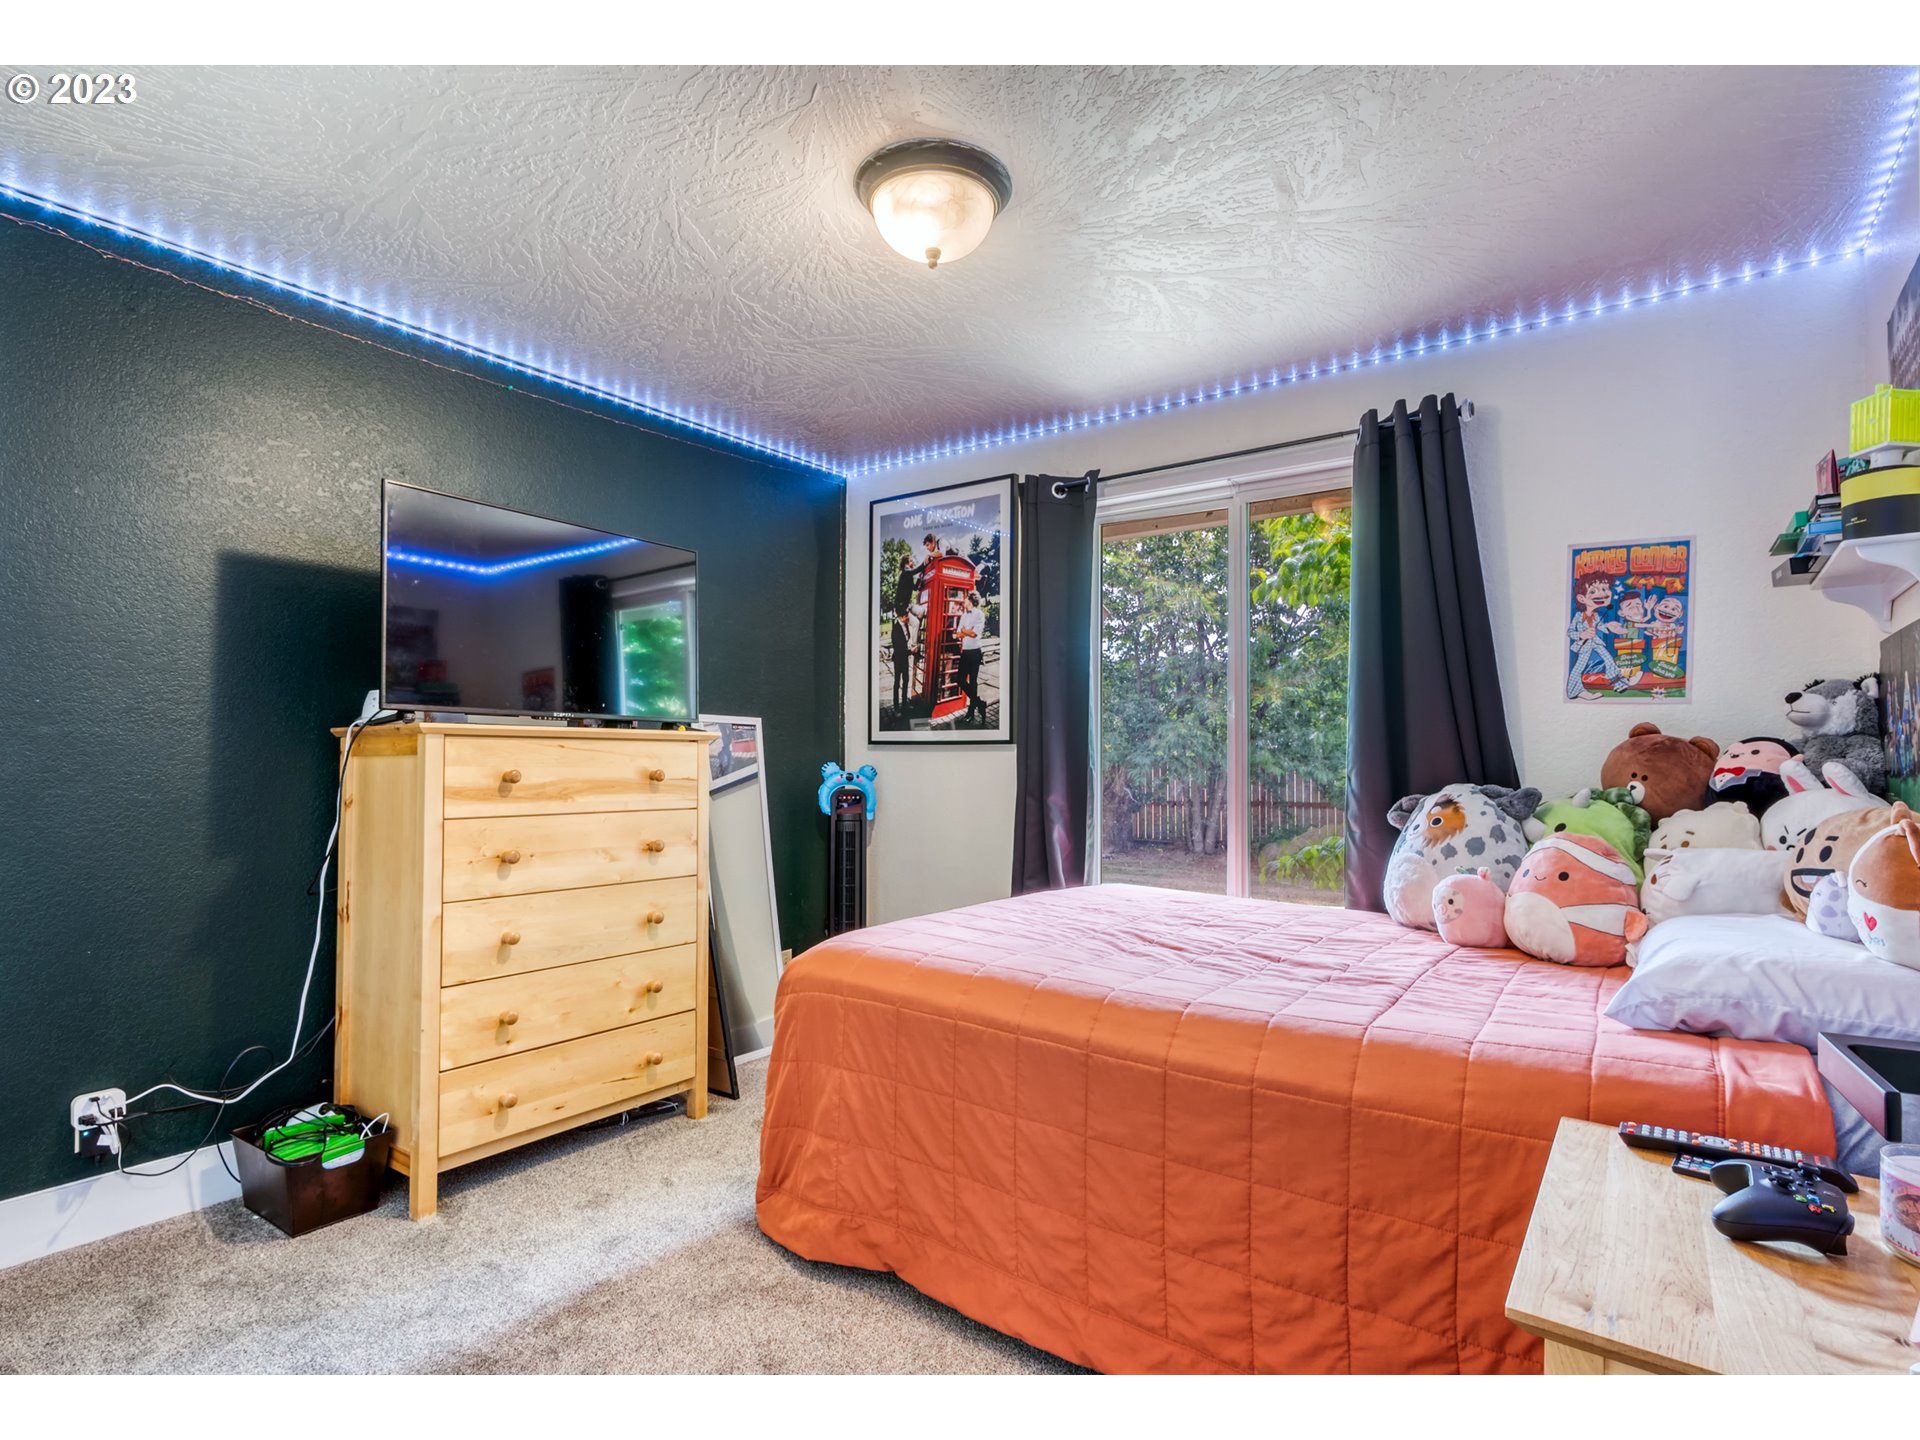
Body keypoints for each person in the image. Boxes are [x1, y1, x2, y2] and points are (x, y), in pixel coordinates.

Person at [955, 589, 987, 725]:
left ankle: (971, 713)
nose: (964, 600)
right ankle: (979, 702)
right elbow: (957, 634)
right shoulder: (963, 615)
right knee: (960, 680)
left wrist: (964, 631)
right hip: (966, 652)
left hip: (975, 652)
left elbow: (974, 634)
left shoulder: (979, 614)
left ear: (971, 601)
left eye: (966, 598)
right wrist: (966, 631)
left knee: (973, 683)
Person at [889, 612, 912, 713]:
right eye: (906, 616)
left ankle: (904, 704)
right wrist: (910, 651)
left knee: (906, 680)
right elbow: (898, 647)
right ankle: (896, 707)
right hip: (898, 659)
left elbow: (906, 640)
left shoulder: (905, 625)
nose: (908, 618)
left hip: (905, 658)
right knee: (897, 683)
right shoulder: (896, 629)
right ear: (902, 617)